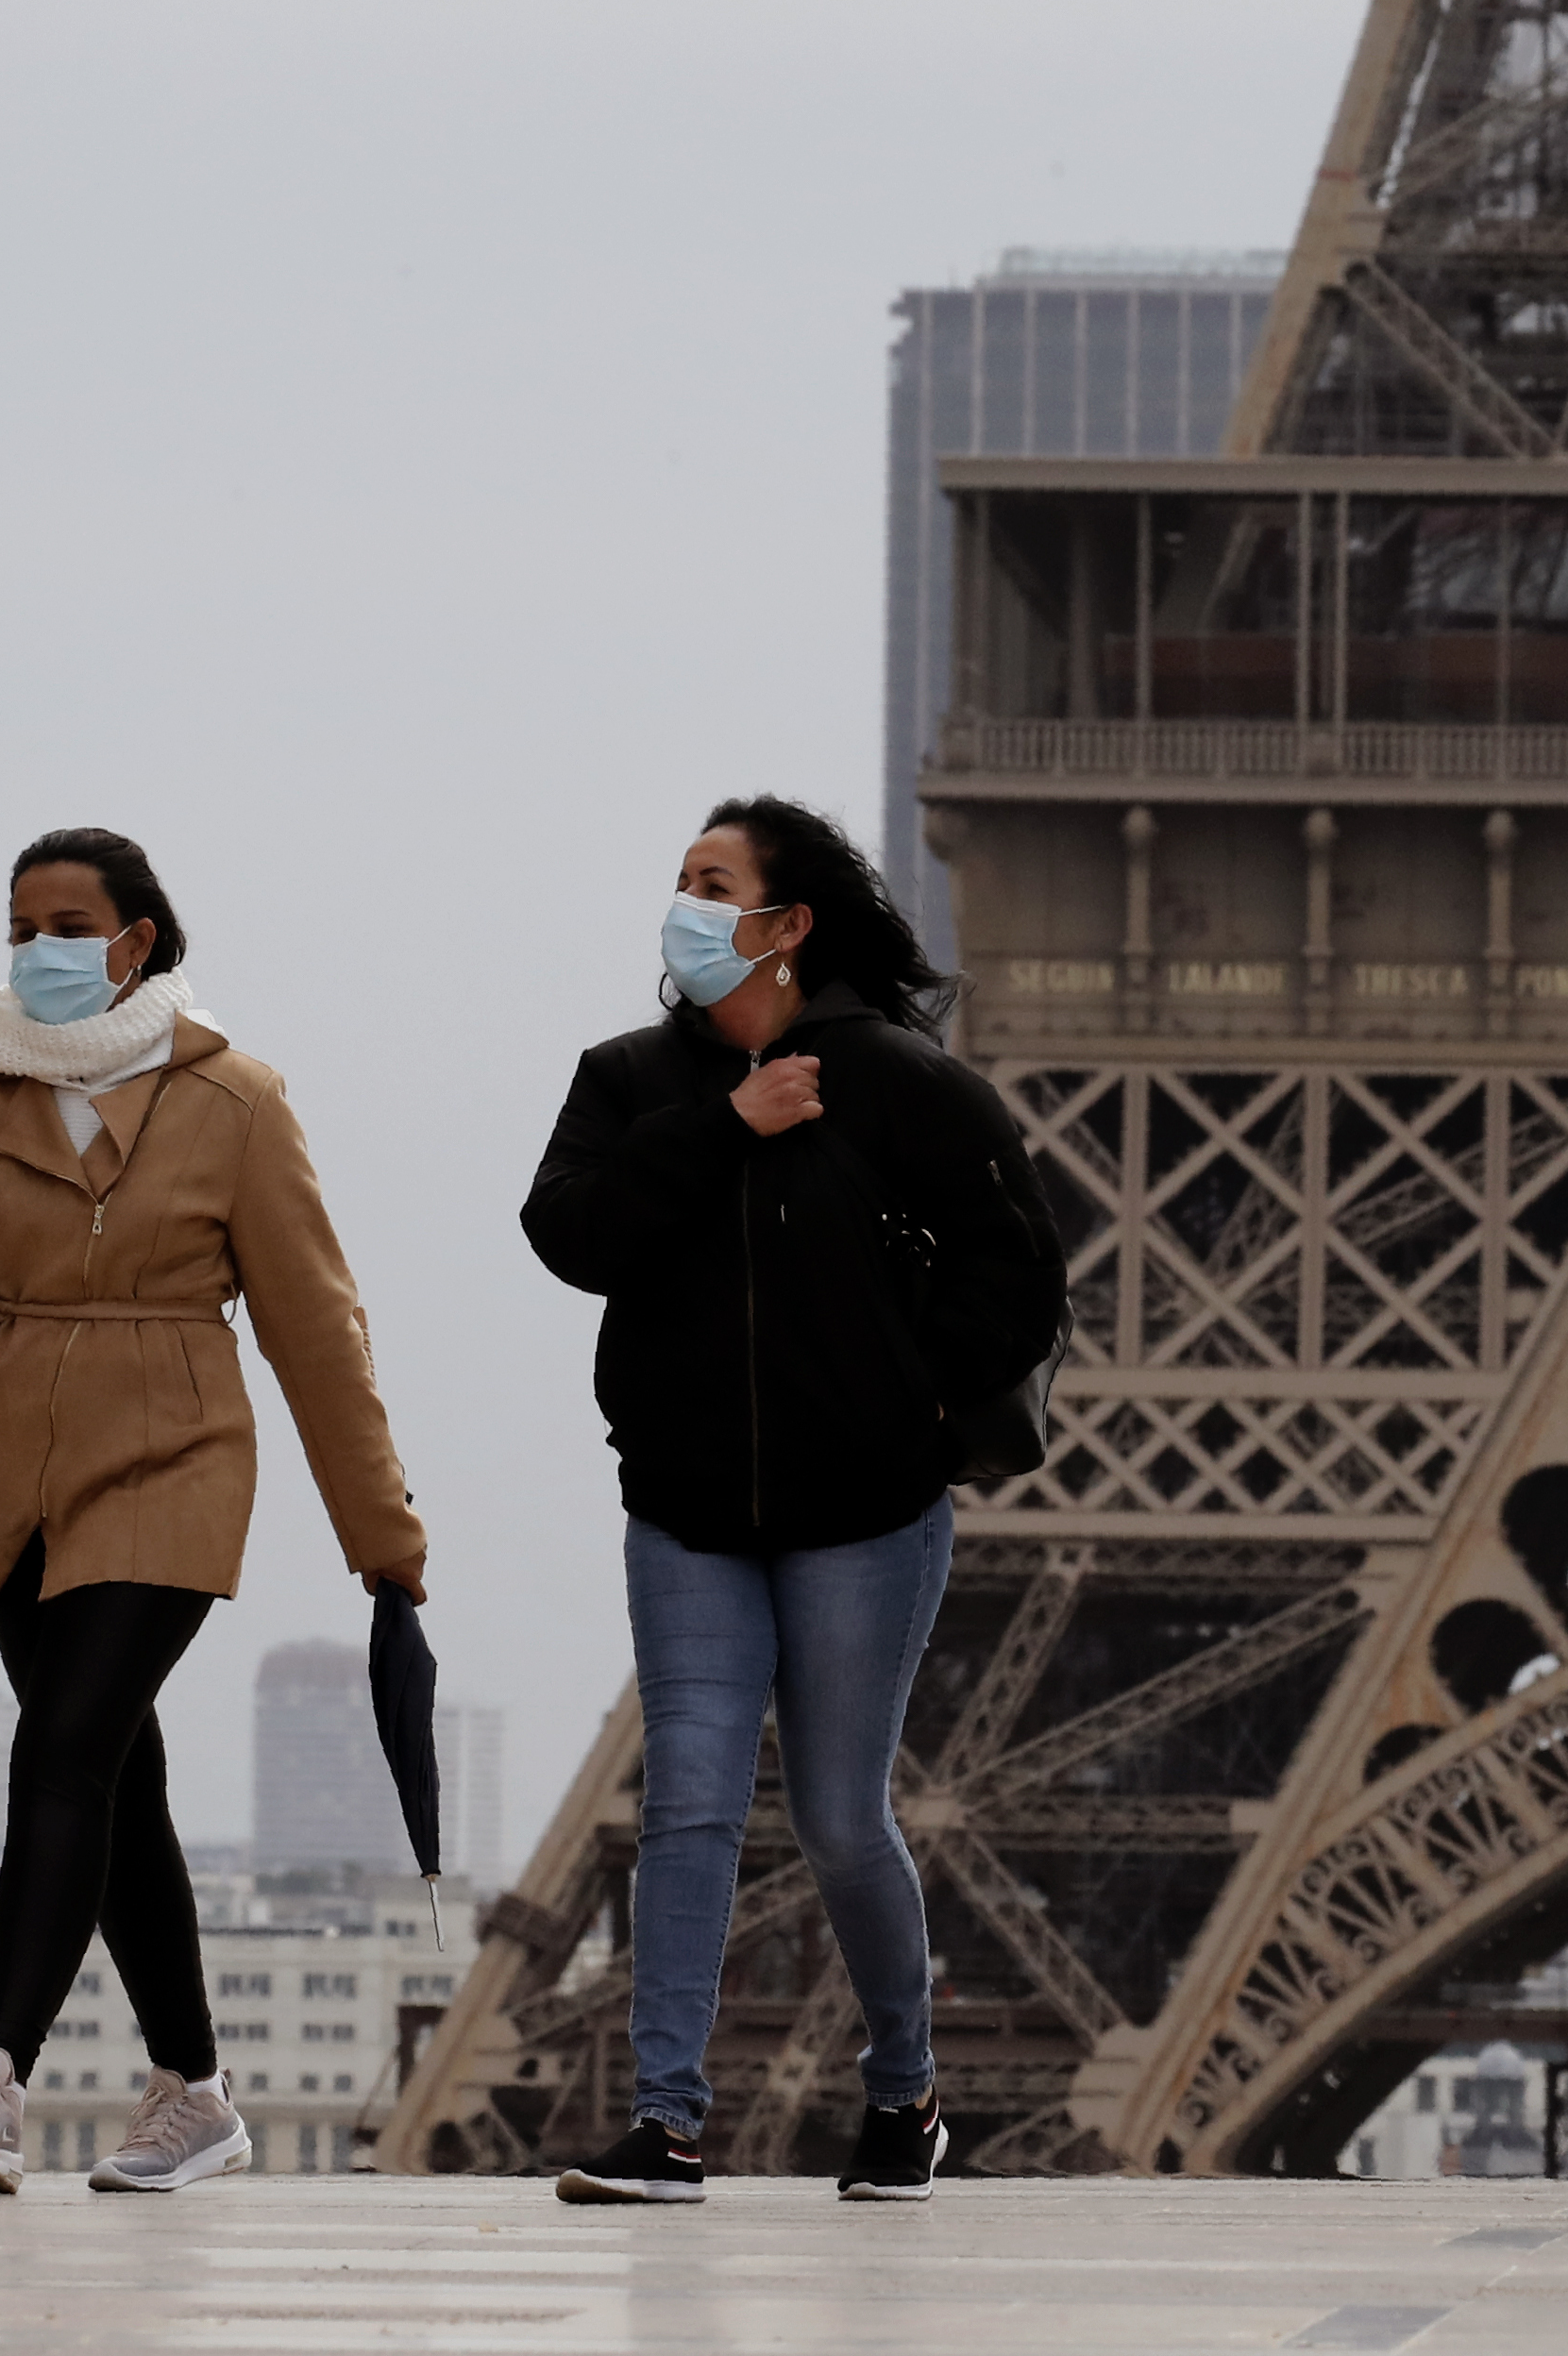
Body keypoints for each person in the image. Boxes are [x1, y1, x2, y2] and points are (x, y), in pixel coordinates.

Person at [0, 826, 430, 2196]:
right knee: (119, 1775)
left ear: (138, 940)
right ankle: (196, 2093)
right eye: (19, 923)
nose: (37, 949)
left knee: (63, 1745)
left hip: (172, 1443)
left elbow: (314, 1325)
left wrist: (382, 1535)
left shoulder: (236, 1096)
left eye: (67, 922)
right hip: (3, 1454)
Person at [519, 796, 1069, 2208]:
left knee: (839, 1815)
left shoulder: (903, 1081)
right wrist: (721, 1123)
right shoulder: (630, 1078)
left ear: (788, 920)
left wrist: (913, 1403)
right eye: (682, 880)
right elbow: (568, 1232)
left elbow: (1020, 1274)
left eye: (715, 882)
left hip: (866, 1514)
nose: (685, 904)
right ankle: (668, 2123)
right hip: (689, 1509)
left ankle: (906, 2094)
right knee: (688, 1805)